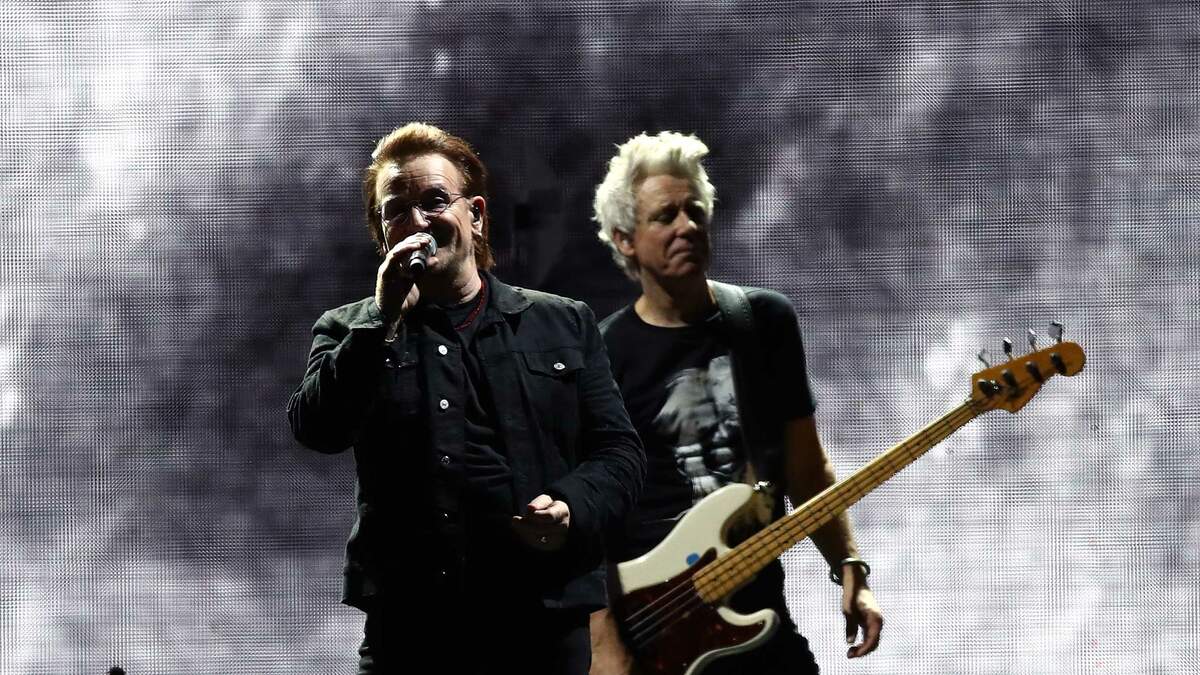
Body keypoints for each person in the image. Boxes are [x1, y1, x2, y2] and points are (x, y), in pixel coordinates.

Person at [287, 122, 645, 674]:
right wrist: (381, 320)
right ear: (382, 235)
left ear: (475, 215)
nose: (417, 222)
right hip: (412, 633)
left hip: (539, 627)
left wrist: (571, 505)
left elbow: (620, 453)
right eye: (396, 211)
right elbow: (318, 428)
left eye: (434, 201)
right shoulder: (348, 329)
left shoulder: (563, 323)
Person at [588, 131, 884, 674]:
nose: (686, 226)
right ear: (625, 239)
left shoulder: (763, 322)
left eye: (695, 212)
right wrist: (606, 643)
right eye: (666, 216)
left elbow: (806, 468)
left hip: (758, 613)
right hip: (653, 633)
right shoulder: (602, 354)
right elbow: (590, 523)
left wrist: (850, 566)